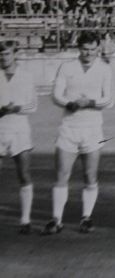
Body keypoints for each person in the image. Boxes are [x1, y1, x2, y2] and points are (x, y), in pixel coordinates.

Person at [42, 32, 113, 235]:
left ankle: (86, 217)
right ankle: (56, 219)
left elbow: (109, 99)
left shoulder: (105, 69)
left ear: (98, 48)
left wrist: (90, 102)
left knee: (90, 175)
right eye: (85, 49)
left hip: (92, 129)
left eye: (92, 49)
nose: (88, 53)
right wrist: (70, 103)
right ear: (78, 48)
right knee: (62, 174)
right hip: (69, 127)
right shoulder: (67, 67)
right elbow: (56, 95)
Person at [0, 41, 38, 235]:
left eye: (7, 54)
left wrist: (16, 108)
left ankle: (25, 220)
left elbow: (33, 106)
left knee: (24, 174)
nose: (3, 57)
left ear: (14, 54)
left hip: (20, 130)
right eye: (1, 54)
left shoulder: (26, 76)